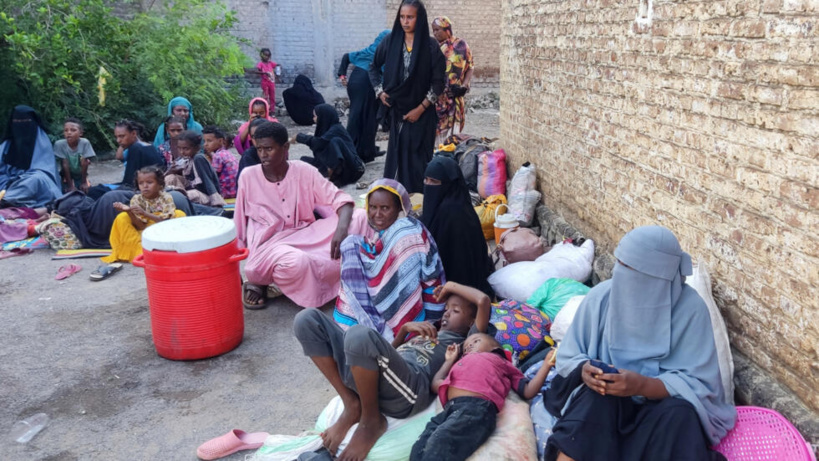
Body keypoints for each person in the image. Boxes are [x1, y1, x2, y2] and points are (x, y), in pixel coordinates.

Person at [544, 226, 737, 461]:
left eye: (633, 270)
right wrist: (586, 370)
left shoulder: (690, 310)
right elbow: (570, 356)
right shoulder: (601, 298)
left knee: (681, 416)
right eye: (620, 264)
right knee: (596, 400)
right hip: (604, 407)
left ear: (661, 277)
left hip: (659, 410)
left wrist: (641, 386)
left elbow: (699, 384)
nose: (621, 275)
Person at [293, 281, 493, 461]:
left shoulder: (464, 340)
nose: (447, 313)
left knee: (358, 335)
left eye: (455, 310)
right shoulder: (427, 331)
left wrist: (450, 286)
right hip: (382, 378)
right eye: (446, 308)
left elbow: (483, 301)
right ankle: (351, 403)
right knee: (307, 319)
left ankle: (371, 421)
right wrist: (405, 331)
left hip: (410, 391)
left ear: (471, 323)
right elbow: (382, 355)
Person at [234, 122, 370, 309]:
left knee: (361, 216)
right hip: (271, 247)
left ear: (285, 148)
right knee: (297, 262)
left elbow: (340, 199)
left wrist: (341, 229)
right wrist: (237, 266)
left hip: (307, 234)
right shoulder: (248, 176)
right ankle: (266, 282)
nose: (263, 155)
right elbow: (239, 221)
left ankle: (350, 273)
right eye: (259, 149)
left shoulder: (304, 170)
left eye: (269, 149)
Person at [411, 334, 556, 461]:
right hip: (450, 411)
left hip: (475, 408)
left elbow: (527, 390)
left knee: (441, 443)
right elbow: (436, 384)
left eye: (476, 341)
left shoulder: (501, 362)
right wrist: (449, 360)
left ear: (495, 348)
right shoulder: (459, 365)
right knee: (419, 447)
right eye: (466, 346)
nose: (469, 346)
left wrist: (546, 365)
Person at [333, 178, 445, 341]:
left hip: (421, 312)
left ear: (399, 208)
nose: (377, 214)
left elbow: (410, 280)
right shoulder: (384, 233)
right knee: (350, 245)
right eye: (372, 207)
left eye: (385, 208)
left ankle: (398, 333)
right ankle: (366, 322)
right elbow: (376, 259)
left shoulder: (406, 232)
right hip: (386, 303)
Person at [369, 0, 446, 194]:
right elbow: (373, 67)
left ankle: (421, 201)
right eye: (402, 17)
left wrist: (420, 108)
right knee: (398, 156)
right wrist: (380, 91)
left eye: (410, 17)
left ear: (419, 19)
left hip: (423, 112)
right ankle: (398, 199)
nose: (405, 21)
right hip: (398, 111)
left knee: (419, 158)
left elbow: (438, 83)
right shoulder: (390, 41)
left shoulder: (430, 46)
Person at [422, 156, 493, 297]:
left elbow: (453, 262)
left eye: (434, 181)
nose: (428, 185)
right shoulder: (453, 205)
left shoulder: (453, 214)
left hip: (458, 289)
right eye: (426, 180)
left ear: (449, 184)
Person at [102, 165, 184, 263]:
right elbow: (141, 227)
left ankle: (175, 248)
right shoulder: (137, 199)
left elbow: (165, 223)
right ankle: (139, 252)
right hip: (143, 234)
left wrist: (145, 214)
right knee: (122, 217)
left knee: (179, 214)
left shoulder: (166, 197)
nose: (145, 186)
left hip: (164, 232)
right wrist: (129, 212)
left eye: (149, 182)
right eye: (141, 183)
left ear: (159, 184)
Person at [338, 30, 390, 163]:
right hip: (363, 84)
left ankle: (367, 151)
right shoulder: (376, 52)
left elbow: (346, 57)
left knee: (369, 118)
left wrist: (342, 75)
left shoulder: (370, 51)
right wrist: (342, 76)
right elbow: (346, 57)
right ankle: (349, 153)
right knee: (358, 117)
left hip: (362, 83)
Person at [0, 106, 62, 208]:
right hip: (7, 181)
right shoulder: (7, 144)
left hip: (32, 180)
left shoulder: (42, 141)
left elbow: (44, 170)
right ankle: (13, 200)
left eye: (25, 121)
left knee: (35, 179)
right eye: (17, 121)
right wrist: (8, 180)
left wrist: (21, 178)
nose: (20, 124)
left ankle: (7, 200)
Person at [291, 104, 365, 187]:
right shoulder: (326, 129)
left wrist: (299, 137)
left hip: (353, 169)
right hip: (332, 166)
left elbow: (319, 142)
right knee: (303, 161)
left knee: (335, 141)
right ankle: (329, 173)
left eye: (315, 116)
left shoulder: (336, 129)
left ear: (323, 117)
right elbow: (319, 145)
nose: (313, 119)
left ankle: (333, 173)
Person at [431, 17, 473, 144]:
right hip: (438, 99)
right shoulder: (433, 47)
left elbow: (470, 67)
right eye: (433, 30)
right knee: (437, 135)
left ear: (447, 29)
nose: (435, 33)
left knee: (454, 137)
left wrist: (464, 86)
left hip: (455, 98)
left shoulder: (462, 45)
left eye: (437, 29)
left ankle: (449, 158)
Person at [165, 131, 225, 207]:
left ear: (196, 148)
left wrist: (216, 201)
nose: (182, 152)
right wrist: (171, 171)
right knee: (171, 177)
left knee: (185, 195)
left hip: (206, 196)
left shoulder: (198, 158)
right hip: (194, 190)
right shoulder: (187, 158)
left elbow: (207, 180)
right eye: (179, 148)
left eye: (185, 149)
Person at [114, 120, 165, 187]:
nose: (118, 140)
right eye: (116, 137)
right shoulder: (148, 146)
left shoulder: (136, 148)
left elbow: (129, 182)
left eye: (122, 136)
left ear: (134, 134)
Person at [53, 117, 96, 193]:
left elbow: (85, 162)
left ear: (81, 133)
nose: (69, 132)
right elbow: (65, 164)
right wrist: (70, 185)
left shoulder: (84, 143)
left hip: (80, 174)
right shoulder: (59, 144)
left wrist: (84, 182)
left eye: (73, 130)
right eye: (66, 130)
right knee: (65, 192)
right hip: (66, 175)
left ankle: (83, 181)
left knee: (87, 191)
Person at [202, 126, 238, 199]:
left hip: (225, 193)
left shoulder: (218, 156)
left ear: (220, 141)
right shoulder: (227, 153)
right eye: (204, 141)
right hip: (235, 191)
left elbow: (212, 176)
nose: (205, 144)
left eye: (209, 141)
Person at [236, 118, 270, 183]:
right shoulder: (248, 156)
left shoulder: (278, 151)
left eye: (262, 135)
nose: (258, 139)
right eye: (254, 136)